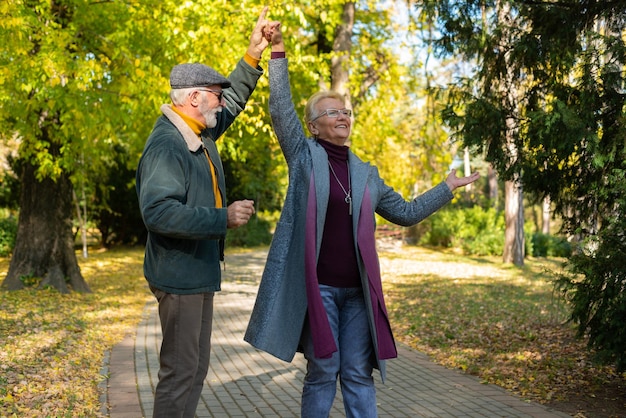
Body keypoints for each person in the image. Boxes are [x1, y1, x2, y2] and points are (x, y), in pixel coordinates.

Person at [244, 23, 480, 418]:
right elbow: (280, 108)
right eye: (332, 112)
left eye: (346, 111)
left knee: (357, 372)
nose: (342, 116)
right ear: (314, 124)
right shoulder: (304, 157)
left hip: (358, 294)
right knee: (323, 370)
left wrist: (446, 187)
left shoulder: (366, 172)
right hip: (318, 288)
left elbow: (404, 213)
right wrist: (278, 51)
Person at [135, 8, 278, 418]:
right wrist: (223, 218)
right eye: (215, 94)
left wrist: (253, 55)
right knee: (180, 373)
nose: (221, 101)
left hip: (196, 273)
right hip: (179, 278)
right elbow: (158, 213)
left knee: (194, 370)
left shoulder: (198, 129)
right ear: (194, 97)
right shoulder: (168, 144)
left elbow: (234, 101)